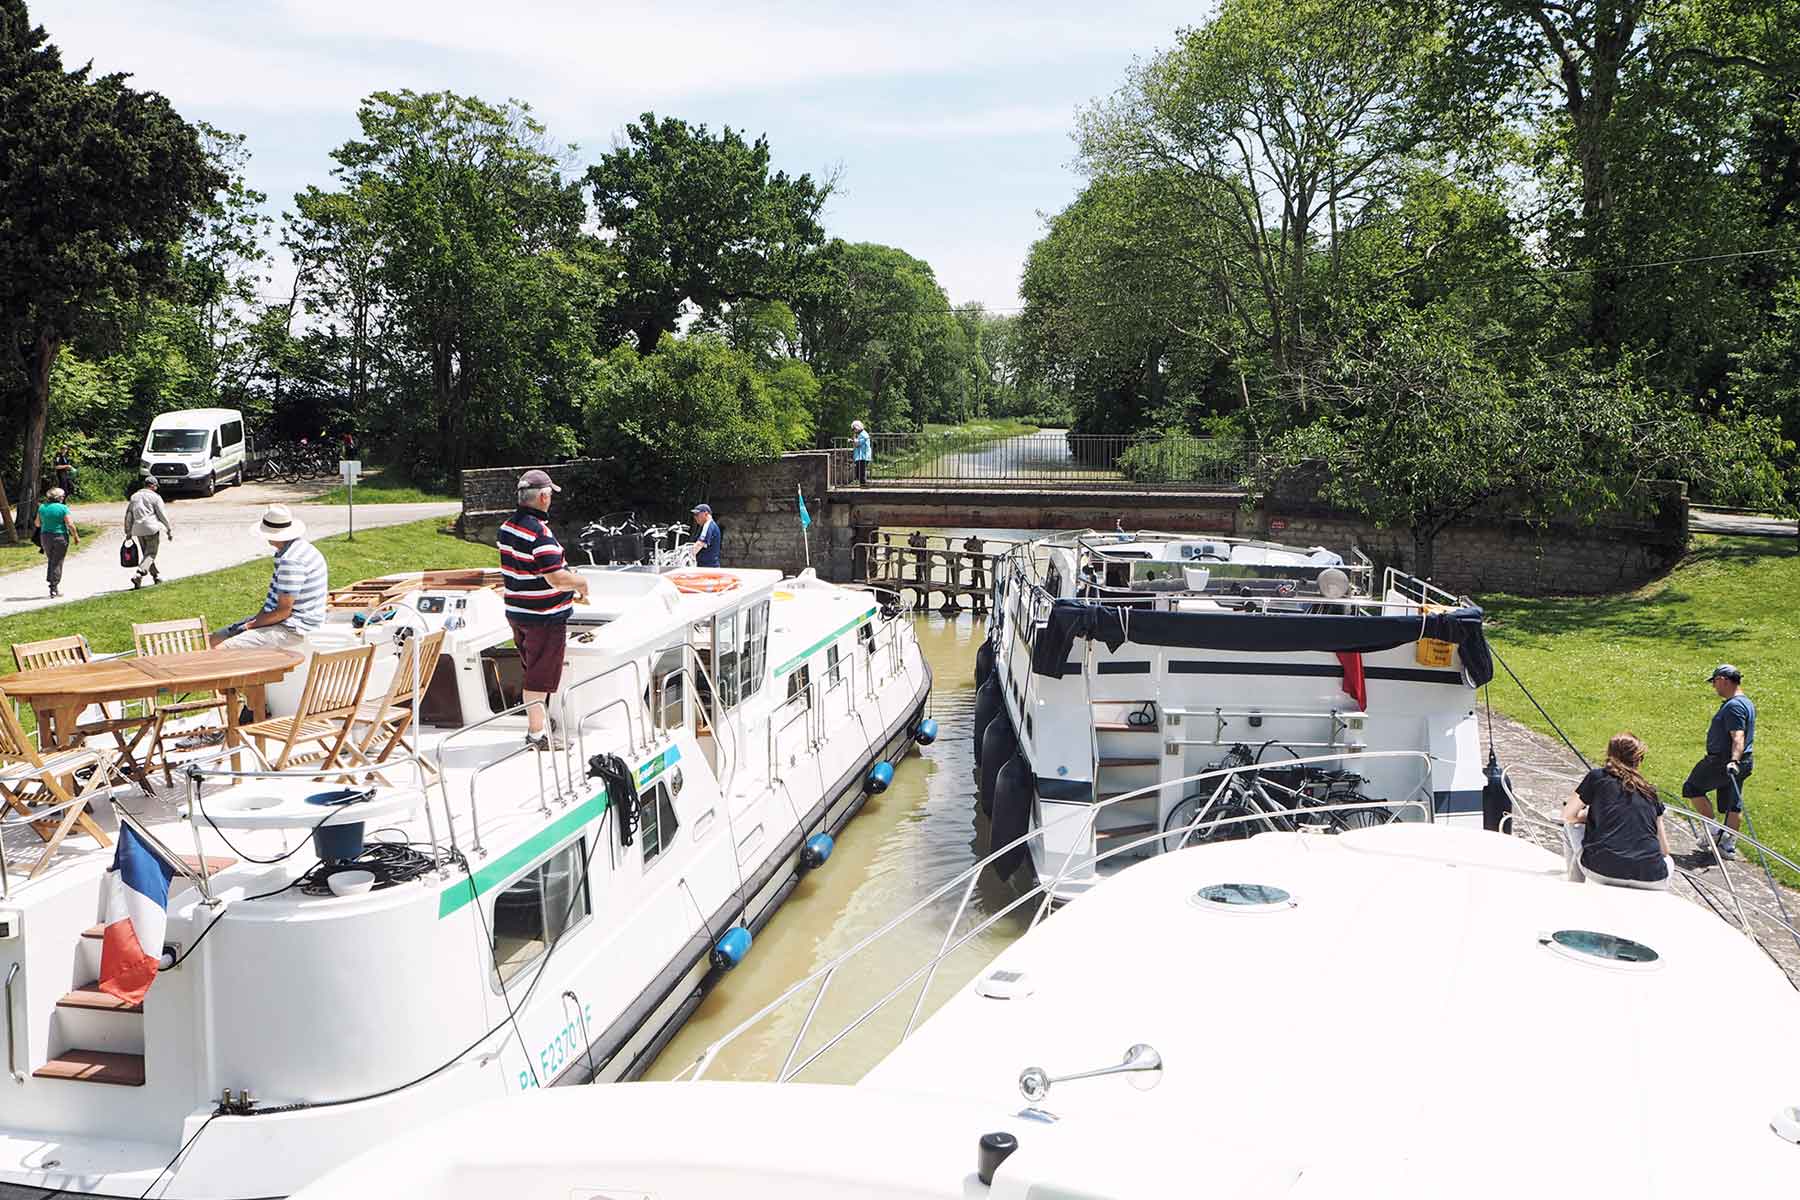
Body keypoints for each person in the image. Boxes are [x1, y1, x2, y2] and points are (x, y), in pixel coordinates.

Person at [500, 470, 590, 751]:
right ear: (542, 497)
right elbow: (556, 578)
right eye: (550, 495)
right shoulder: (540, 534)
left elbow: (527, 568)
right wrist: (581, 583)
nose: (551, 500)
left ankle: (539, 721)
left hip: (517, 612)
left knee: (532, 670)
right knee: (538, 678)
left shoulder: (507, 527)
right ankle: (537, 735)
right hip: (543, 618)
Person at [1562, 733, 1672, 890]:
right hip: (1653, 878)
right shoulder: (1650, 792)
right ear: (1638, 760)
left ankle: (1574, 888)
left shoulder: (1597, 777)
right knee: (1668, 861)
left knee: (1570, 826)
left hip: (1602, 871)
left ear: (1609, 754)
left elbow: (1568, 815)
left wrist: (1589, 817)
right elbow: (1664, 850)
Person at [210, 506, 328, 651]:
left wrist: (249, 626)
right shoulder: (299, 548)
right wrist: (254, 621)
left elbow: (283, 612)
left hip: (294, 628)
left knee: (221, 649)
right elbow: (272, 605)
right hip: (285, 621)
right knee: (216, 637)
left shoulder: (291, 561)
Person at [1683, 664, 1755, 860]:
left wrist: (1733, 760)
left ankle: (1713, 831)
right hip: (1744, 761)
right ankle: (1727, 845)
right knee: (1733, 804)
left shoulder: (1734, 706)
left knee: (1692, 788)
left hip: (1723, 761)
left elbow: (1738, 737)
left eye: (1714, 682)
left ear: (1723, 680)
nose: (1714, 686)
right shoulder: (1747, 703)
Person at [124, 477, 174, 588]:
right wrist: (169, 529)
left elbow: (129, 515)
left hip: (138, 529)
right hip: (151, 528)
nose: (156, 488)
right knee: (151, 554)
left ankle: (156, 576)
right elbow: (162, 515)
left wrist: (128, 531)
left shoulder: (134, 497)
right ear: (152, 485)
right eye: (156, 486)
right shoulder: (155, 497)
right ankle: (139, 573)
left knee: (147, 554)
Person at [36, 487, 77, 599]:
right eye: (62, 496)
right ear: (58, 498)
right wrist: (76, 536)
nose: (63, 498)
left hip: (45, 537)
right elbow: (70, 524)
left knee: (52, 560)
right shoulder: (63, 508)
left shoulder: (42, 507)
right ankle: (53, 587)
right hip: (60, 537)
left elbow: (37, 524)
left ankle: (52, 584)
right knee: (57, 561)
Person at [692, 503, 723, 567]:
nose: (695, 517)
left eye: (697, 514)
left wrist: (689, 556)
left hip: (707, 567)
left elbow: (699, 544)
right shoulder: (711, 525)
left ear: (706, 514)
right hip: (709, 566)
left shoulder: (708, 525)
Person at [851, 420, 871, 486]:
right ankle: (861, 484)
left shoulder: (863, 434)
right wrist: (853, 440)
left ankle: (863, 485)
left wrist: (853, 439)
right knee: (859, 471)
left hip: (863, 456)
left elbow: (857, 443)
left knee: (861, 472)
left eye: (854, 429)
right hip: (861, 456)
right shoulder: (861, 434)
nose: (853, 431)